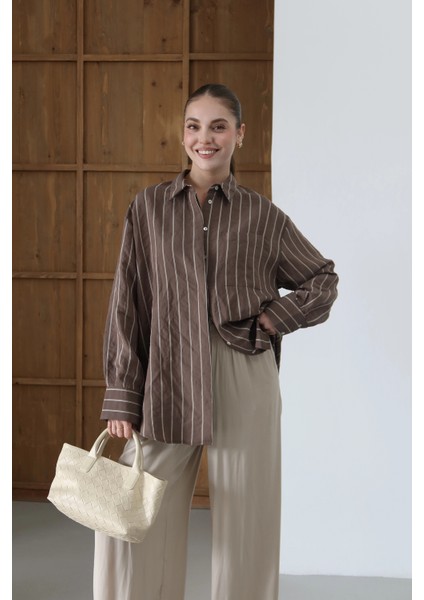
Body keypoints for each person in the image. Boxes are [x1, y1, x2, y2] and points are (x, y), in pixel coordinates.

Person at [93, 83, 339, 600]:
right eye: (194, 126)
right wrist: (122, 393)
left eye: (218, 126)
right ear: (184, 133)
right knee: (134, 512)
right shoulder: (149, 208)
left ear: (239, 134)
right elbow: (128, 302)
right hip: (168, 372)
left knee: (248, 517)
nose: (204, 138)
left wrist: (272, 319)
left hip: (242, 371)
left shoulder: (262, 215)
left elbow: (322, 278)